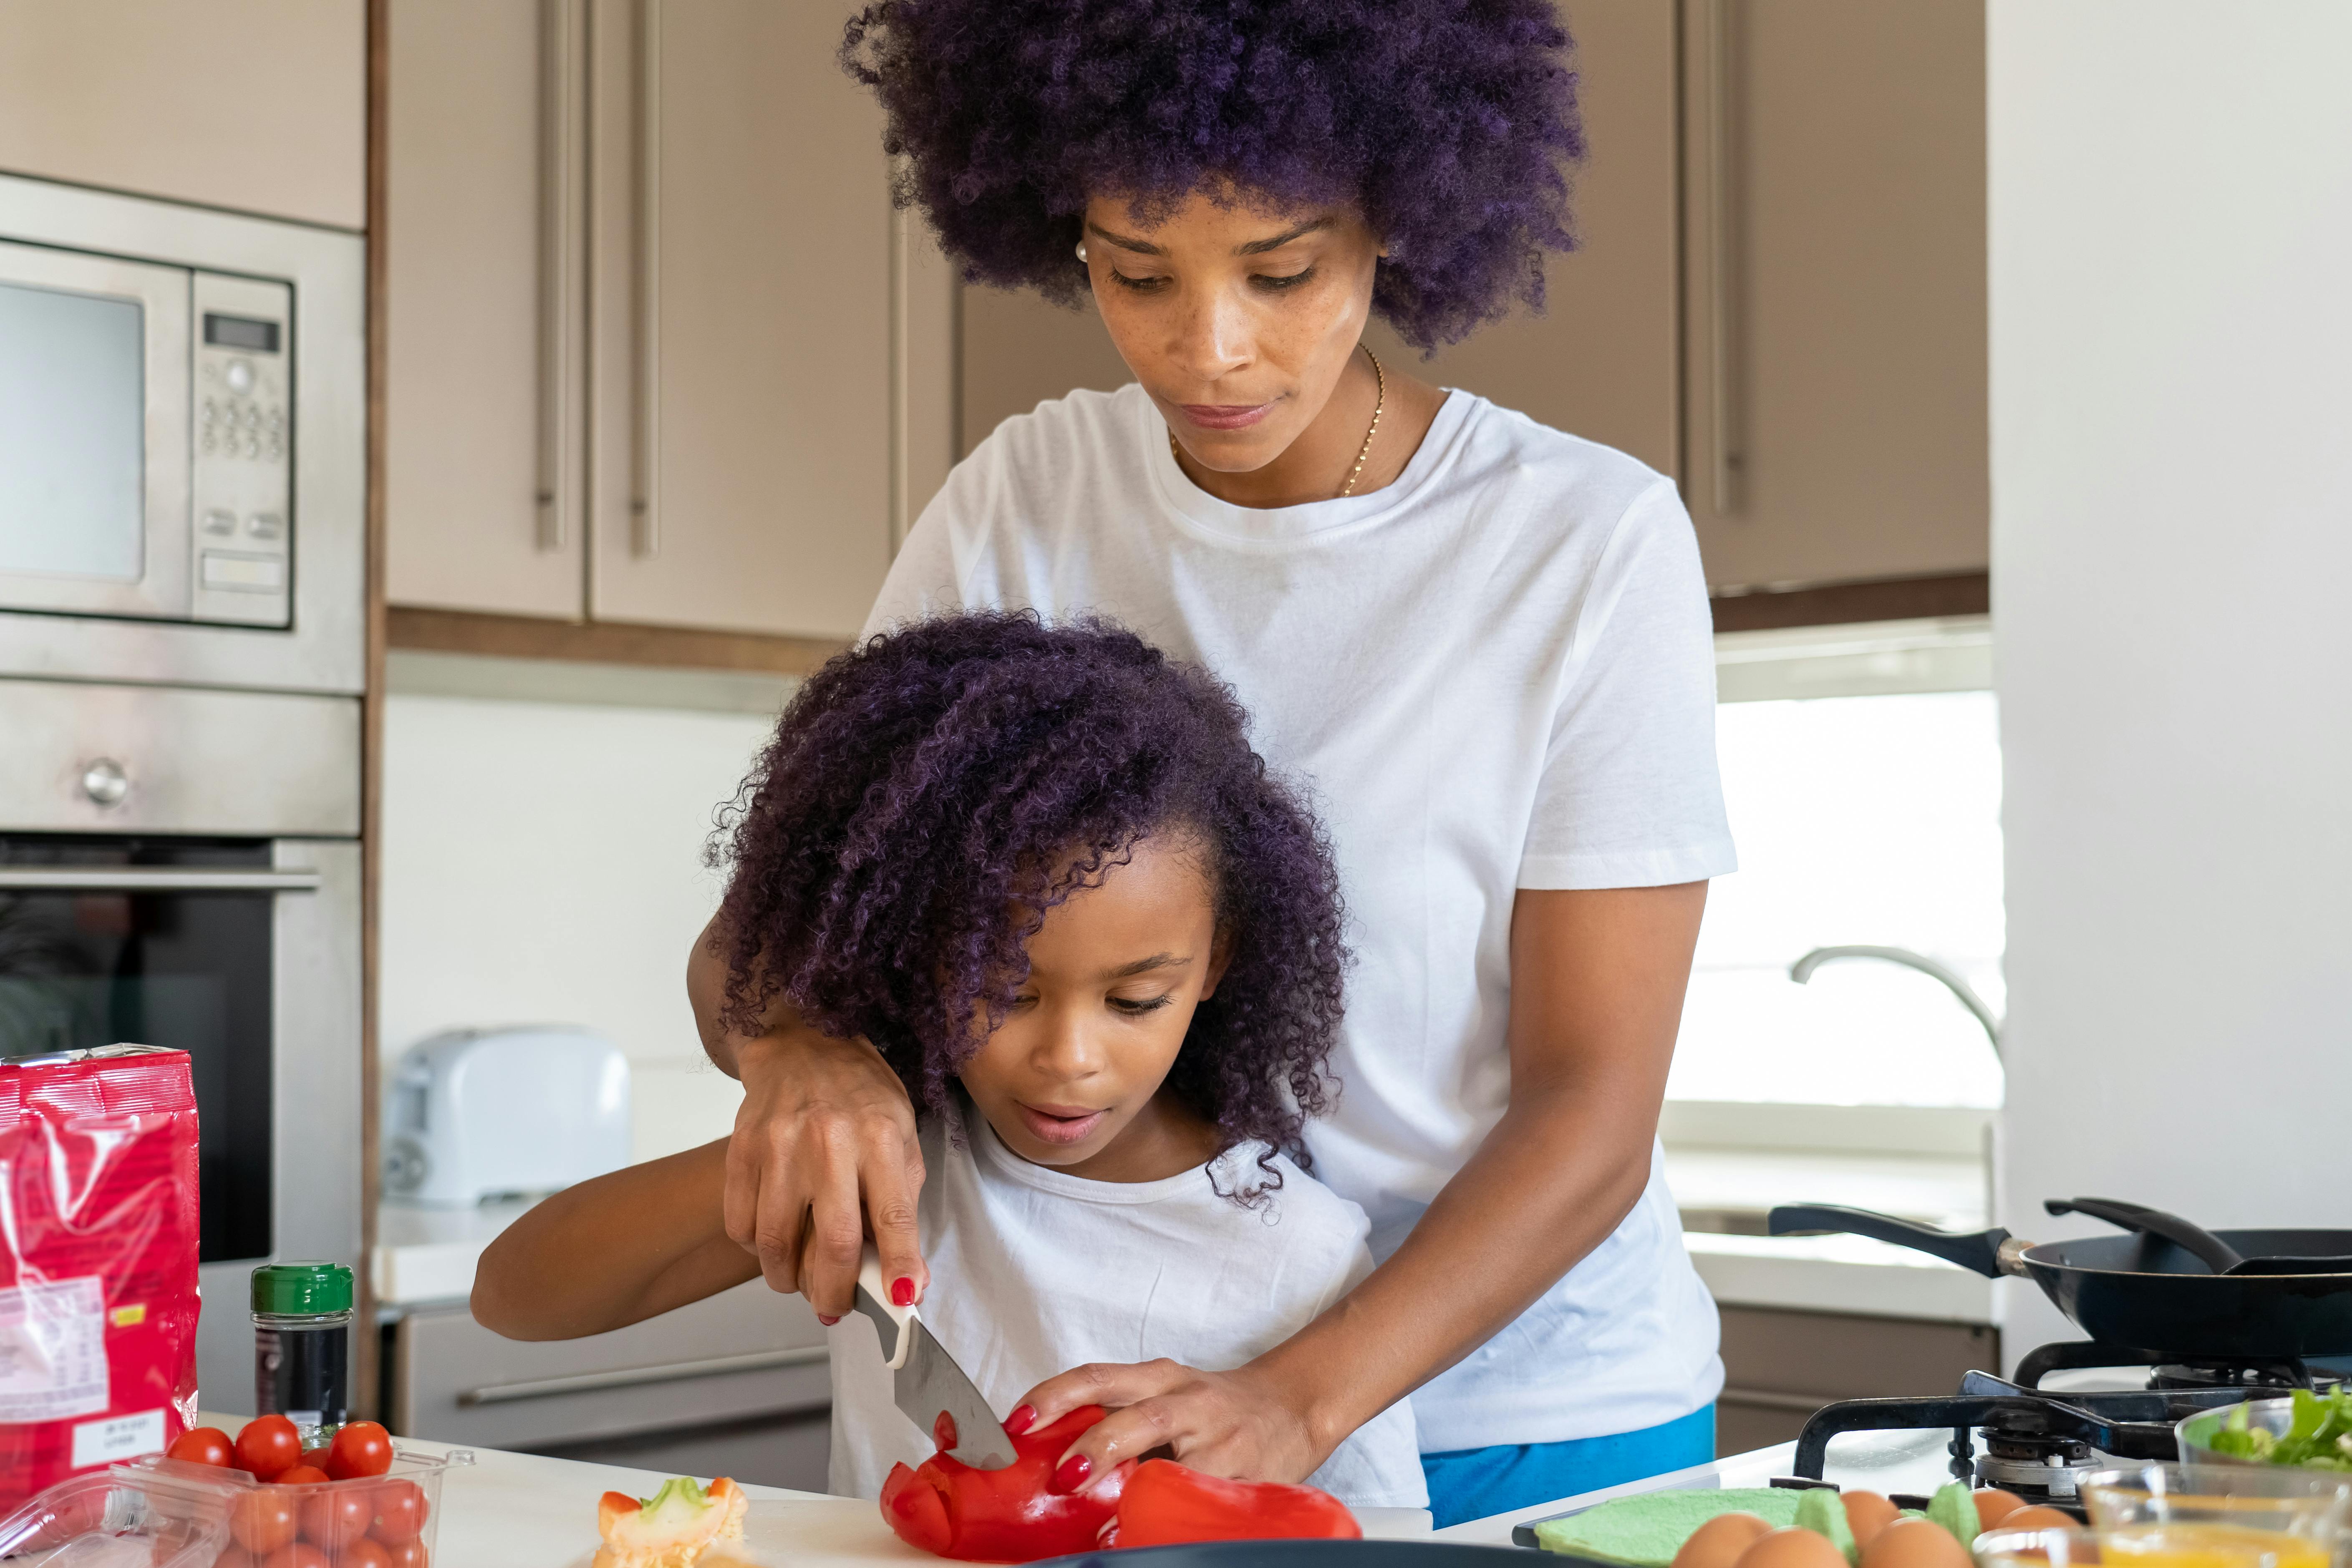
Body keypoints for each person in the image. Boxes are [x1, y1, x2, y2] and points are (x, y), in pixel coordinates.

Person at [688, 0, 1738, 1528]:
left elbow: (1589, 1109)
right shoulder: (1027, 498)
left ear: (1399, 213)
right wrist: (802, 1048)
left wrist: (1298, 1395)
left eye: (1282, 270)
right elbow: (779, 926)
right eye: (1134, 273)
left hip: (1522, 1416)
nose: (1208, 347)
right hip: (1130, 1405)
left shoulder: (1580, 543)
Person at [476, 614, 1427, 1508]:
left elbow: (1378, 1539)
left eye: (1135, 1000)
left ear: (1215, 962)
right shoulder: (902, 1171)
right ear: (914, 954)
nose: (1068, 1059)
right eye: (1003, 990)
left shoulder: (1294, 1253)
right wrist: (801, 1134)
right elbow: (513, 1296)